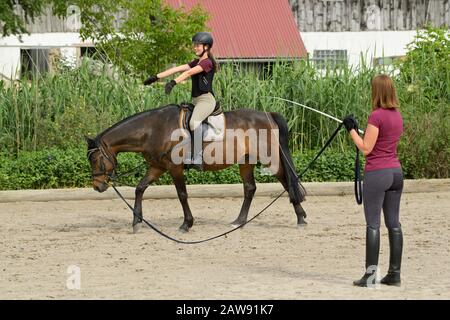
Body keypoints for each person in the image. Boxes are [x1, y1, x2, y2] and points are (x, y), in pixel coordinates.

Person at [343, 74, 404, 287]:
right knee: (394, 224)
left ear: (376, 91)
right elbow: (383, 141)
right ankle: (394, 275)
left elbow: (366, 148)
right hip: (396, 173)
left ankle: (369, 277)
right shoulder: (397, 115)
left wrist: (351, 129)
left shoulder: (376, 116)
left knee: (373, 224)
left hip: (378, 174)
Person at [143, 31, 218, 170]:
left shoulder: (207, 63)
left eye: (198, 46)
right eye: (194, 45)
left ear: (206, 47)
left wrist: (173, 83)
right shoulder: (197, 61)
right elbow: (178, 68)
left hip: (206, 101)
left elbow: (188, 73)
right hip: (196, 100)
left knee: (193, 123)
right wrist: (156, 77)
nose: (195, 48)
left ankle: (198, 156)